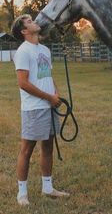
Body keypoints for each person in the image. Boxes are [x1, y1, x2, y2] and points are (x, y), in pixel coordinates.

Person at [11, 14, 70, 206]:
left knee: (48, 146)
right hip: (34, 108)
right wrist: (48, 97)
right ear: (24, 31)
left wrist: (56, 94)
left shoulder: (44, 49)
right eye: (29, 21)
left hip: (49, 105)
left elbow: (48, 74)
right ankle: (22, 193)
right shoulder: (23, 51)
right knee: (27, 149)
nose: (33, 21)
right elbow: (23, 83)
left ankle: (47, 187)